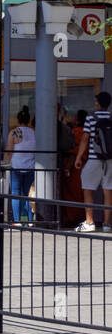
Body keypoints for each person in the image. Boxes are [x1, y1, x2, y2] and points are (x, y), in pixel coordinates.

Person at [74, 91, 112, 233]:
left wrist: (78, 157)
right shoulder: (111, 117)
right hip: (110, 160)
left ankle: (89, 222)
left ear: (98, 102)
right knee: (108, 190)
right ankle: (107, 224)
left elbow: (85, 139)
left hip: (94, 158)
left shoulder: (91, 118)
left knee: (87, 188)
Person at [5, 107, 36, 224]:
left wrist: (5, 163)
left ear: (18, 120)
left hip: (16, 166)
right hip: (30, 166)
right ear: (28, 120)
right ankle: (29, 220)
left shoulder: (14, 132)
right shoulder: (34, 132)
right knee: (28, 193)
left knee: (15, 193)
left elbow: (8, 151)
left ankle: (18, 220)